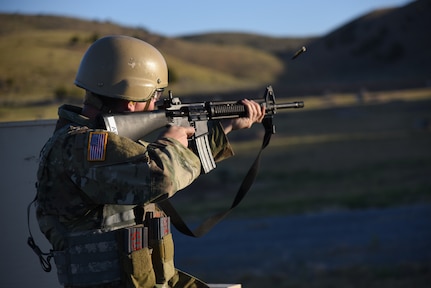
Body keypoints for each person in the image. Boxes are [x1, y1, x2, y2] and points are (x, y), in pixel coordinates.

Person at [36, 35, 265, 288]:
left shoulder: (105, 147)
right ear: (132, 101)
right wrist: (172, 142)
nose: (157, 101)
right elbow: (161, 177)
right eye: (155, 93)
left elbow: (154, 166)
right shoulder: (81, 147)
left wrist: (225, 127)